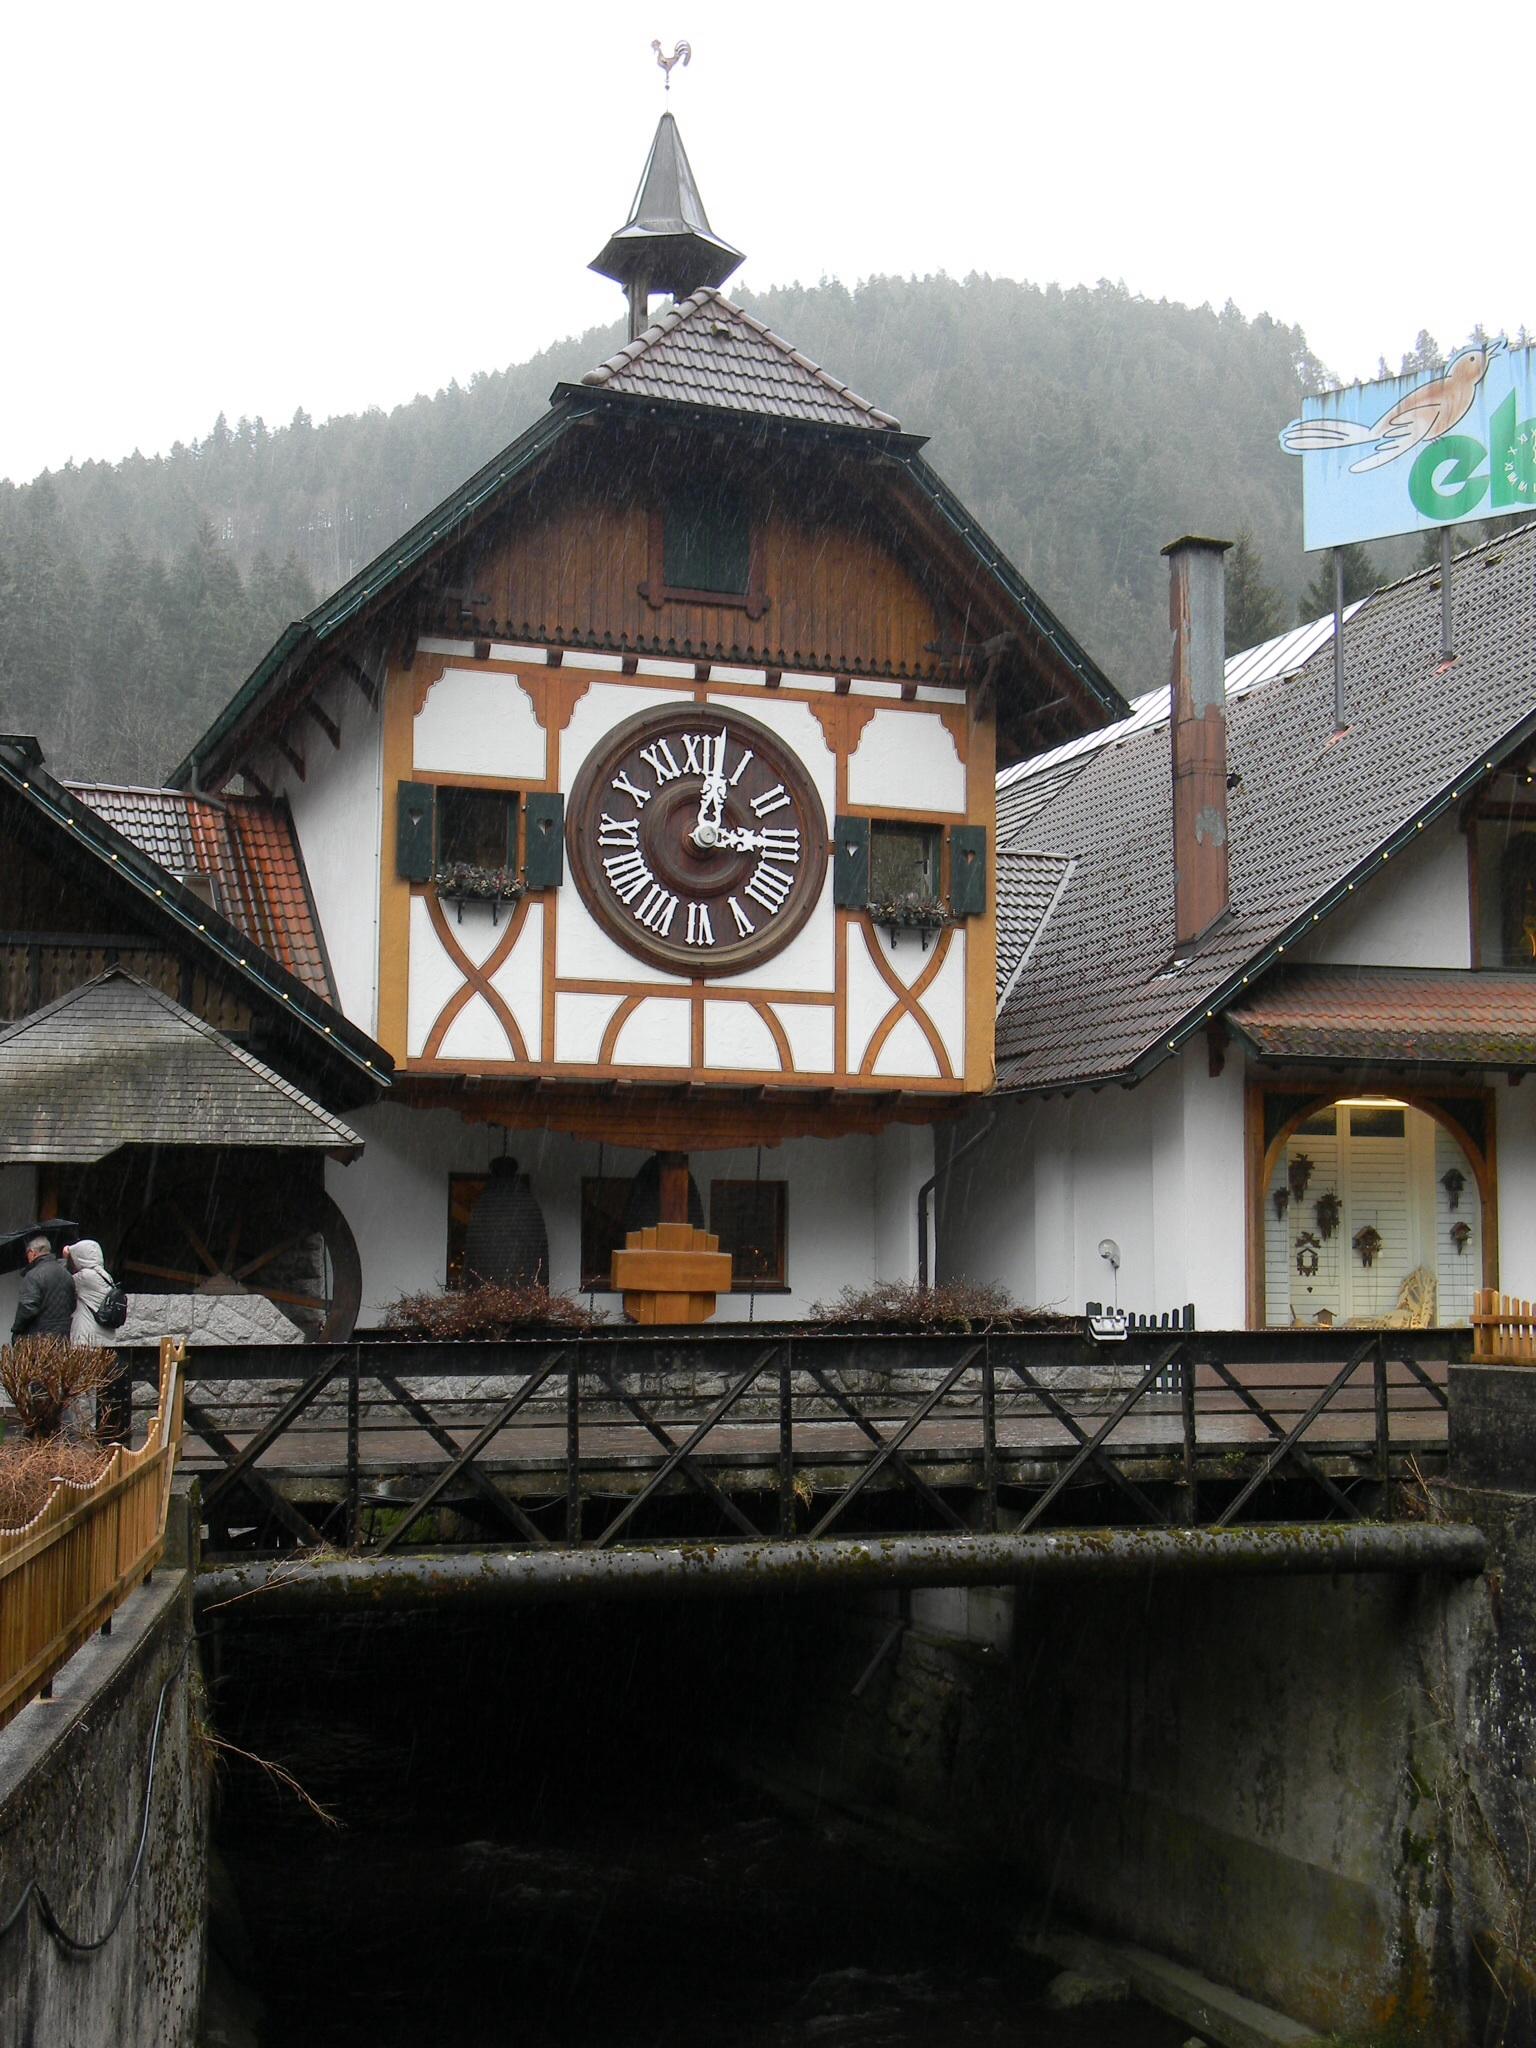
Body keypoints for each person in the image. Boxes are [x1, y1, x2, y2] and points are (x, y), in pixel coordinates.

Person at [10, 1233, 76, 1341]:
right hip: (64, 1335)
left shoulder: (33, 1275)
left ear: (32, 1253)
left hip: (39, 1336)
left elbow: (27, 1307)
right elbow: (72, 1303)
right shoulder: (66, 1273)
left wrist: (17, 1329)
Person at [65, 1239, 116, 1348]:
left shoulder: (86, 1277)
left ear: (80, 1257)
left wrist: (65, 1259)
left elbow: (62, 1280)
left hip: (87, 1337)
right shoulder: (106, 1276)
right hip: (104, 1338)